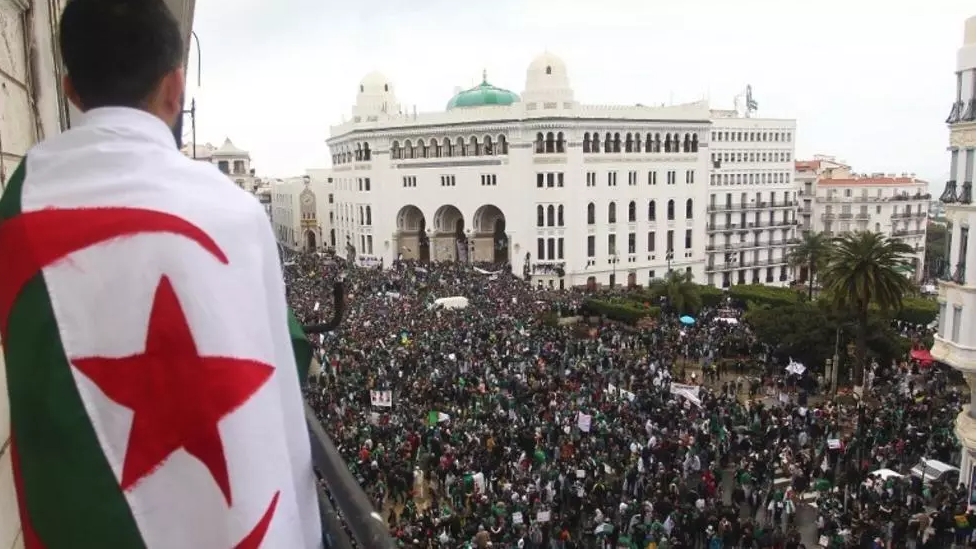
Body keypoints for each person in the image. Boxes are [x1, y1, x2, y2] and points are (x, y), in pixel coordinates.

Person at [0, 0, 321, 547]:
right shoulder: (235, 214)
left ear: (71, 88)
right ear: (176, 89)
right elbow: (283, 350)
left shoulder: (19, 208)